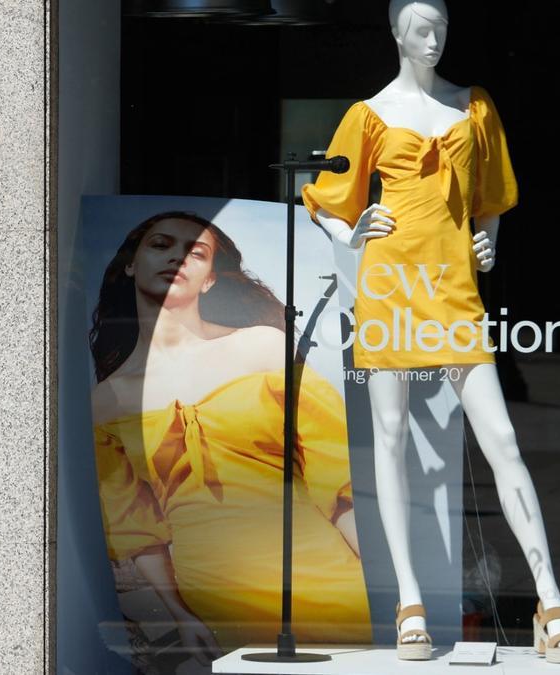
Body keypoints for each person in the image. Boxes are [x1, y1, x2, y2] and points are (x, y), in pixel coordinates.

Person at [302, 0, 560, 663]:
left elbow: (491, 200)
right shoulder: (366, 115)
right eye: (421, 30)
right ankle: (410, 600)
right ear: (396, 33)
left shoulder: (473, 107)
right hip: (390, 290)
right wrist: (352, 228)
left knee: (502, 436)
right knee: (392, 438)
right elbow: (325, 202)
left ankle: (550, 597)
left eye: (443, 29)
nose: (433, 41)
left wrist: (486, 244)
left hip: (453, 293)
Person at [89, 211, 370, 668]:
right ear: (129, 264)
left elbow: (338, 479)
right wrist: (180, 616)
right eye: (161, 244)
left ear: (209, 281)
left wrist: (385, 591)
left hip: (323, 578)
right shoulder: (108, 400)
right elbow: (137, 531)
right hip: (212, 598)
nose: (177, 256)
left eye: (196, 252)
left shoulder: (260, 348)